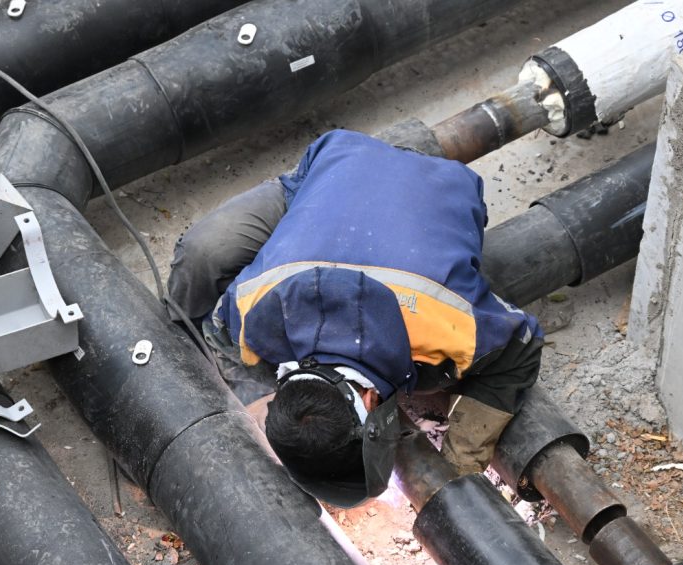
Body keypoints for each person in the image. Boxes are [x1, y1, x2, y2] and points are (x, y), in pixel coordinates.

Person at [168, 129, 543, 506]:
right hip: (337, 170)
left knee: (432, 381)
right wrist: (255, 398)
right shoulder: (250, 310)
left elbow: (524, 345)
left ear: (369, 398)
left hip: (437, 185)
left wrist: (460, 464)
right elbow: (217, 337)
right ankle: (169, 343)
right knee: (202, 254)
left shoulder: (447, 330)